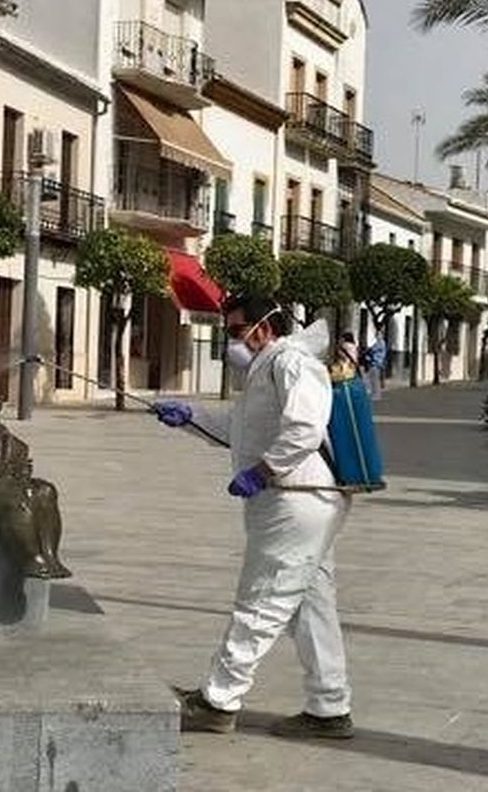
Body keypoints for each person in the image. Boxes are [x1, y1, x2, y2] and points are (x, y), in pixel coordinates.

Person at [152, 296, 355, 740]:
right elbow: (240, 431)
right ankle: (329, 706)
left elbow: (305, 426)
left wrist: (262, 472)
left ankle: (218, 700)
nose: (232, 340)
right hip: (299, 497)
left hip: (295, 498)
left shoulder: (291, 362)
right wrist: (189, 417)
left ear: (263, 328)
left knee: (262, 599)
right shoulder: (266, 368)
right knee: (309, 605)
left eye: (234, 329)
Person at [0, 383, 71, 579]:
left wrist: (21, 469)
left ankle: (50, 556)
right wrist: (2, 470)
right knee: (20, 498)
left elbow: (13, 460)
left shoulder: (2, 430)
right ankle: (32, 559)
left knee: (46, 490)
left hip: (0, 484)